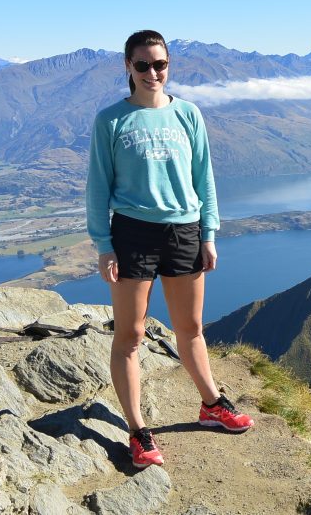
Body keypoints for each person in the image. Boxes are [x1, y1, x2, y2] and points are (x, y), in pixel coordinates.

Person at [86, 29, 254, 469]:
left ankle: (211, 405)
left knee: (191, 328)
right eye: (142, 65)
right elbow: (98, 188)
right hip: (132, 233)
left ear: (169, 65)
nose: (152, 72)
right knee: (130, 335)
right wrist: (104, 245)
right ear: (128, 67)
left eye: (159, 64)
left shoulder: (189, 114)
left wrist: (209, 233)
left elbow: (205, 178)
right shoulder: (111, 121)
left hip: (184, 230)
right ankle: (139, 431)